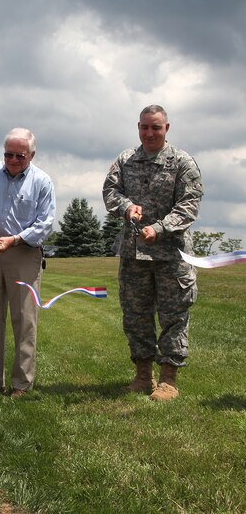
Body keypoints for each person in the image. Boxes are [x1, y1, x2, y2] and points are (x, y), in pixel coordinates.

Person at [103, 104, 203, 401]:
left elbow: (189, 205)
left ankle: (168, 380)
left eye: (156, 127)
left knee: (174, 316)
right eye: (145, 127)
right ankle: (143, 376)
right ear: (138, 127)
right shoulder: (125, 160)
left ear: (166, 129)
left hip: (171, 256)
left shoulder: (183, 163)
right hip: (133, 254)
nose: (149, 133)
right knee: (136, 316)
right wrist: (125, 207)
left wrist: (159, 228)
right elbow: (110, 191)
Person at [0, 127, 55, 398]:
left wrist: (15, 240)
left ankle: (21, 384)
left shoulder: (42, 182)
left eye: (20, 155)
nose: (13, 160)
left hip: (24, 253)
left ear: (32, 155)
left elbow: (45, 223)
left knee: (24, 319)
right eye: (8, 155)